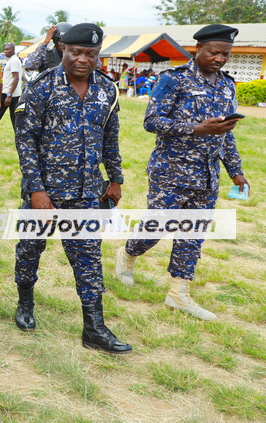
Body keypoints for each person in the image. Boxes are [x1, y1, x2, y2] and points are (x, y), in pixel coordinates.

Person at [13, 23, 132, 354]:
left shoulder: (107, 90)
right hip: (45, 194)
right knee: (29, 250)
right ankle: (25, 303)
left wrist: (116, 178)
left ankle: (93, 328)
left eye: (91, 54)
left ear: (98, 55)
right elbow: (26, 141)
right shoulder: (41, 87)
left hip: (86, 194)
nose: (83, 59)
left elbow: (110, 137)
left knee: (89, 259)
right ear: (63, 50)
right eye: (76, 52)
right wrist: (37, 190)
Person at [116, 24, 249, 321]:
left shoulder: (227, 85)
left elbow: (226, 134)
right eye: (214, 52)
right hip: (170, 172)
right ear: (197, 49)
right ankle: (128, 254)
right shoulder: (173, 80)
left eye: (225, 54)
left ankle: (178, 293)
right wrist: (195, 129)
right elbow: (152, 121)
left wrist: (235, 172)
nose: (220, 58)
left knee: (192, 235)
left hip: (207, 175)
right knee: (158, 227)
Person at [0, 42, 22, 131]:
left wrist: (9, 95)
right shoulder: (13, 60)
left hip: (9, 94)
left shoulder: (13, 61)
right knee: (15, 120)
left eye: (8, 49)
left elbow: (16, 78)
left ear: (13, 50)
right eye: (5, 49)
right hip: (12, 93)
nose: (6, 51)